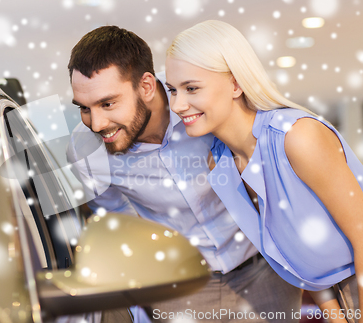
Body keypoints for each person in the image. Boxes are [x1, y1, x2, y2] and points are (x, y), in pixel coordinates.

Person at [66, 25, 302, 323]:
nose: (97, 123)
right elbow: (116, 215)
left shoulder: (200, 107)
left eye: (108, 103)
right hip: (178, 291)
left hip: (264, 272)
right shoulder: (85, 149)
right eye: (84, 109)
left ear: (147, 86)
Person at [165, 20, 362, 323]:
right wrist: (334, 315)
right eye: (173, 90)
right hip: (334, 296)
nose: (178, 105)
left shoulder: (296, 137)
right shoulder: (219, 164)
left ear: (235, 84)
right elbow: (294, 251)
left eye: (191, 88)